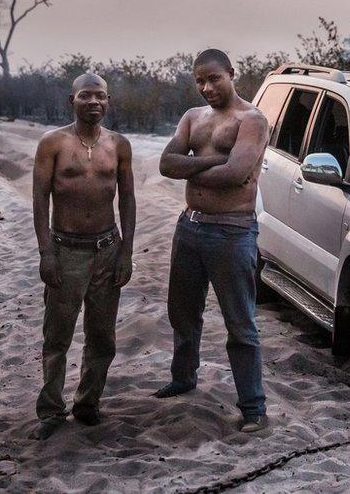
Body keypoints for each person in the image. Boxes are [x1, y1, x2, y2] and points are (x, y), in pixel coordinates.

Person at [156, 49, 270, 433]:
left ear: (232, 74)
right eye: (200, 81)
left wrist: (189, 167)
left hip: (232, 230)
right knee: (183, 313)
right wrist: (209, 163)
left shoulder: (251, 120)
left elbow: (235, 174)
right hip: (190, 226)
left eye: (214, 79)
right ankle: (184, 377)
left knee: (240, 324)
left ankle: (253, 408)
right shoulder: (193, 117)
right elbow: (165, 164)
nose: (207, 87)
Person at [31, 73, 136, 440]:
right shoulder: (52, 143)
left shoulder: (119, 145)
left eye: (101, 97)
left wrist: (127, 250)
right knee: (57, 335)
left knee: (102, 335)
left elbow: (126, 199)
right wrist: (47, 253)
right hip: (66, 249)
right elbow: (40, 199)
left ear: (108, 101)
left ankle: (88, 403)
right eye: (86, 96)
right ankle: (51, 409)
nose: (94, 102)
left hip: (107, 249)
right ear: (71, 100)